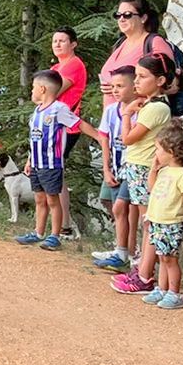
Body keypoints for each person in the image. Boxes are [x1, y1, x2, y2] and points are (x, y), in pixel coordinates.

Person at [109, 54, 181, 294]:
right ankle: (144, 269)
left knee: (148, 221)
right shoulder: (150, 105)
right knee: (145, 220)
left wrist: (128, 114)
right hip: (138, 166)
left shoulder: (156, 107)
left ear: (160, 80)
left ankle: (144, 275)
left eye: (142, 76)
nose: (137, 82)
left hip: (143, 167)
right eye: (137, 76)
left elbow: (128, 138)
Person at [15, 69, 110, 250]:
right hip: (36, 163)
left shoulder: (59, 110)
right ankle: (38, 232)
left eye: (33, 87)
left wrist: (99, 136)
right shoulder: (36, 112)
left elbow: (78, 123)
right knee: (39, 199)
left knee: (52, 199)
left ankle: (54, 235)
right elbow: (35, 138)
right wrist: (29, 160)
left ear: (42, 89)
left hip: (51, 164)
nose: (32, 91)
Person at [142, 122, 183, 311]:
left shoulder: (182, 174)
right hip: (158, 221)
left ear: (172, 151)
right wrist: (154, 169)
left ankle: (173, 292)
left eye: (158, 149)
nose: (155, 153)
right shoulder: (165, 171)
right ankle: (162, 288)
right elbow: (152, 189)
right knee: (162, 257)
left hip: (172, 223)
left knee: (170, 258)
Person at [91, 66, 138, 272]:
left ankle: (126, 252)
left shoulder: (140, 110)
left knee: (123, 208)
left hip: (133, 168)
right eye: (113, 86)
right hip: (116, 167)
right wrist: (106, 167)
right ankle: (122, 249)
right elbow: (104, 137)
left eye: (120, 86)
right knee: (113, 204)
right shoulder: (111, 110)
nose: (116, 90)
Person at [49, 26, 90, 235]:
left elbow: (51, 91)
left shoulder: (73, 65)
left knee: (56, 170)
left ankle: (63, 223)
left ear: (73, 44)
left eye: (62, 41)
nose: (57, 44)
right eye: (55, 40)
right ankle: (61, 222)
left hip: (67, 125)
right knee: (56, 171)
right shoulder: (57, 67)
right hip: (54, 124)